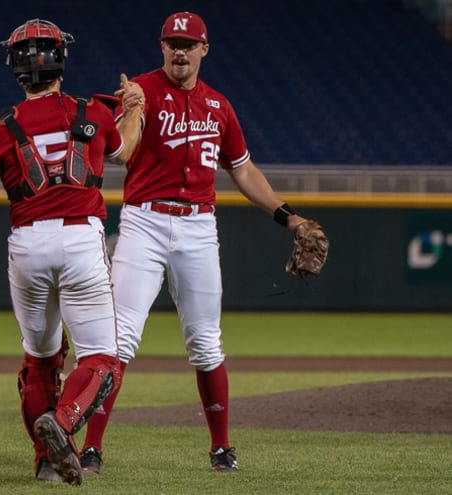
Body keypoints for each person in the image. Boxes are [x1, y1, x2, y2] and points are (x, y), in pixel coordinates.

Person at [79, 11, 324, 474]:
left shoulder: (219, 107)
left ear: (204, 50)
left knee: (207, 344)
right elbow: (120, 154)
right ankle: (91, 448)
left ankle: (221, 448)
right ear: (161, 46)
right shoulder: (143, 92)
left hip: (198, 228)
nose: (180, 50)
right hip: (144, 224)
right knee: (119, 340)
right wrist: (130, 109)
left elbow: (243, 170)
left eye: (189, 44)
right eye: (173, 42)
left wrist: (287, 217)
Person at [0, 18, 143, 485]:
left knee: (40, 360)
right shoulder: (95, 113)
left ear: (16, 69)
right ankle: (62, 425)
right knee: (101, 359)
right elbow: (127, 150)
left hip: (27, 246)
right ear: (61, 59)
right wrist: (136, 107)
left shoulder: (1, 129)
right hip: (83, 239)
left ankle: (45, 461)